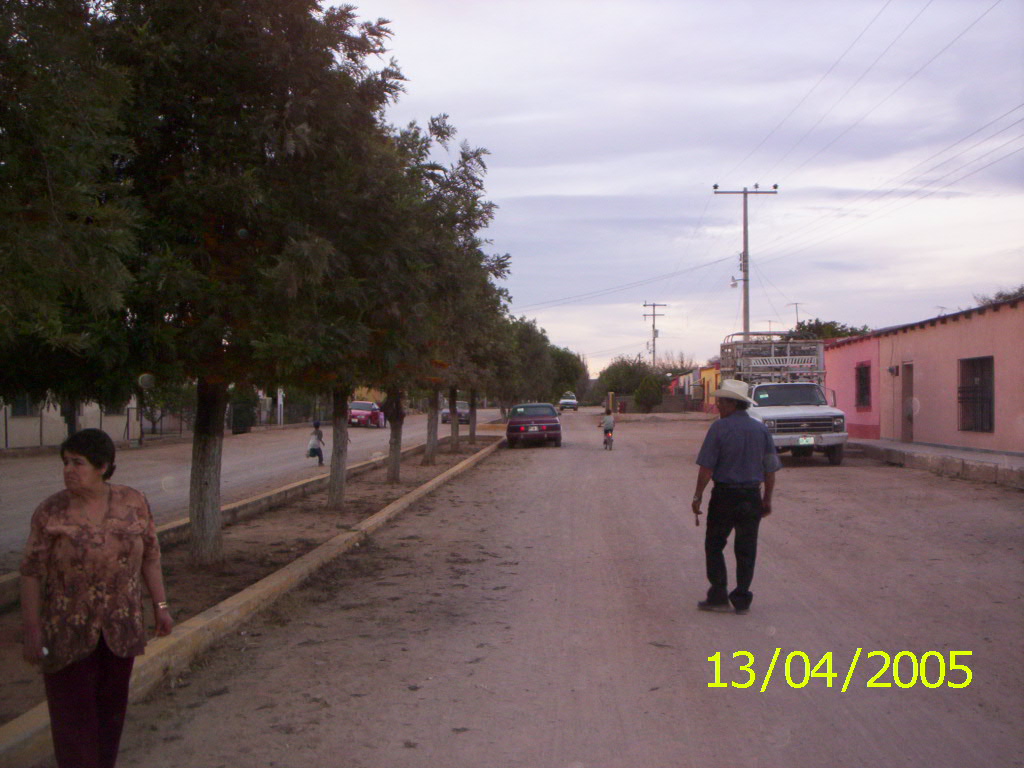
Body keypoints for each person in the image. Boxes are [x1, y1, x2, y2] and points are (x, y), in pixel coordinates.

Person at [20, 428, 173, 768]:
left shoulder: (133, 502)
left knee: (110, 716)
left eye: (78, 463)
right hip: (66, 632)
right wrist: (31, 629)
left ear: (103, 466)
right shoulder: (51, 512)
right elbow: (31, 572)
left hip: (121, 629)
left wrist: (161, 607)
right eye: (65, 463)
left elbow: (151, 556)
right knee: (73, 722)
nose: (68, 470)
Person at [691, 379, 781, 615]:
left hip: (724, 496)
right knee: (746, 548)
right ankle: (741, 598)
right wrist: (767, 499)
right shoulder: (761, 429)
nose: (718, 406)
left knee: (714, 544)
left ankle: (719, 594)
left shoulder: (719, 429)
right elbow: (769, 469)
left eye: (721, 402)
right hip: (751, 497)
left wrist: (698, 496)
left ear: (732, 404)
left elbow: (706, 468)